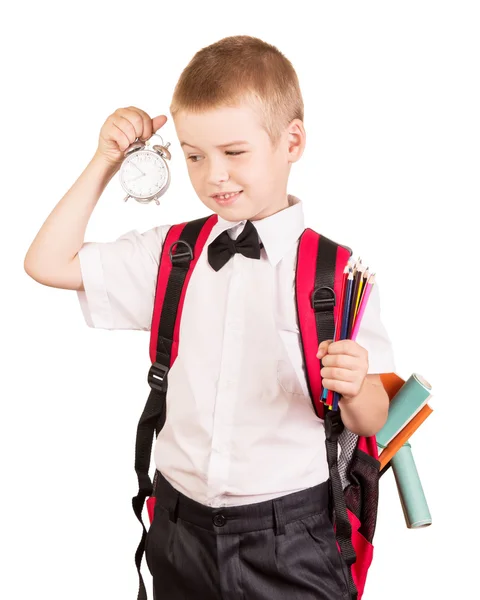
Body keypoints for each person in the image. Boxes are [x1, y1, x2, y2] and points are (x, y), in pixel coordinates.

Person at [24, 34, 395, 600]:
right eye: (195, 156)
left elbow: (371, 419)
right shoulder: (170, 254)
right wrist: (105, 160)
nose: (213, 176)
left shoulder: (338, 273)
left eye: (234, 152)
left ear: (292, 140)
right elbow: (47, 263)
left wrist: (355, 385)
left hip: (293, 539)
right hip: (179, 527)